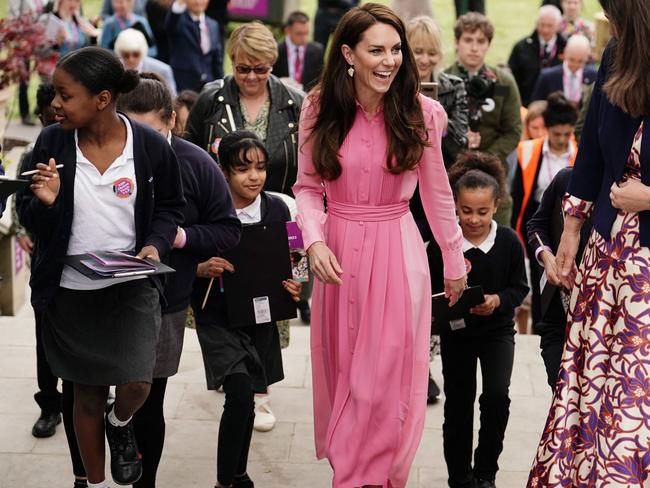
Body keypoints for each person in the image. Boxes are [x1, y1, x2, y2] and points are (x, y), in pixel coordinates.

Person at [293, 4, 467, 486]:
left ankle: (365, 477)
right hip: (338, 255)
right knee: (347, 374)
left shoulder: (423, 112)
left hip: (399, 251)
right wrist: (314, 240)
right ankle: (354, 470)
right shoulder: (318, 106)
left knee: (384, 383)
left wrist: (453, 260)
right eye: (376, 50)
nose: (389, 60)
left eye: (396, 50)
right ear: (348, 54)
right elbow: (307, 187)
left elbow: (437, 194)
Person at [16, 47, 185, 488]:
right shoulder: (52, 142)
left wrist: (155, 245)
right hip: (71, 294)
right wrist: (45, 203)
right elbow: (29, 214)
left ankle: (121, 419)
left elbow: (170, 207)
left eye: (65, 96)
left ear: (102, 98)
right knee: (84, 393)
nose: (55, 104)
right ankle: (92, 482)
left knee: (137, 383)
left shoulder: (148, 146)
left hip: (132, 288)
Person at [528, 1, 650, 484]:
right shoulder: (619, 55)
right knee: (593, 380)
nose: (608, 28)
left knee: (636, 390)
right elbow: (593, 152)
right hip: (607, 255)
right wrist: (572, 231)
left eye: (613, 16)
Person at [117, 73, 241, 488]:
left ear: (172, 120)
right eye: (131, 130)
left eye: (152, 132)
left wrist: (183, 237)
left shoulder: (196, 163)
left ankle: (144, 481)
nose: (142, 143)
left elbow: (227, 230)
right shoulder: (109, 154)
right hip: (108, 295)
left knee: (150, 398)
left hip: (167, 301)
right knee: (99, 393)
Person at [192, 130, 301, 488]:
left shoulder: (278, 207)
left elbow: (297, 255)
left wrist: (297, 283)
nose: (253, 176)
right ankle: (225, 481)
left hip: (262, 314)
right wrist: (201, 267)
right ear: (223, 171)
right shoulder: (208, 208)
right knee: (238, 391)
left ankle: (239, 474)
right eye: (242, 168)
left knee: (249, 397)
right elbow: (183, 252)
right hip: (218, 316)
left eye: (260, 167)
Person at [427, 151, 528, 488]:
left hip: (497, 331)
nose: (473, 219)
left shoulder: (509, 242)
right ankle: (460, 476)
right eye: (466, 211)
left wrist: (498, 300)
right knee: (458, 401)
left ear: (496, 206)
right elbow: (427, 290)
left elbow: (520, 288)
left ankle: (486, 472)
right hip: (457, 334)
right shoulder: (441, 245)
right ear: (454, 206)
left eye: (482, 212)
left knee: (497, 396)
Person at [405, 14, 469, 403]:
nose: (425, 60)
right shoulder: (390, 86)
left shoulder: (452, 87)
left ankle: (424, 363)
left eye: (431, 53)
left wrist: (434, 117)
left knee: (431, 283)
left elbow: (459, 143)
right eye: (417, 52)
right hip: (401, 196)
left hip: (437, 189)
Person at [185, 21, 304, 196]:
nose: (251, 76)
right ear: (232, 62)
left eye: (260, 69)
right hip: (221, 211)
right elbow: (189, 157)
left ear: (271, 64)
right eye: (243, 69)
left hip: (282, 213)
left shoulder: (296, 104)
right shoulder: (211, 100)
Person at [446, 12, 522, 225]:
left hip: (493, 175)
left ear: (488, 44)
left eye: (481, 41)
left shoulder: (504, 82)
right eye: (468, 40)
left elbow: (513, 131)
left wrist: (483, 161)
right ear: (456, 42)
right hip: (452, 173)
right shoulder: (443, 81)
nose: (474, 47)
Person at [511, 92, 578, 332]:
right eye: (556, 133)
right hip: (539, 220)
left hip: (572, 220)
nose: (561, 139)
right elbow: (518, 195)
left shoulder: (580, 152)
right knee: (542, 276)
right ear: (546, 128)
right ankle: (543, 324)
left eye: (566, 134)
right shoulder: (528, 151)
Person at [525, 167, 591, 388]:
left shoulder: (626, 193)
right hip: (558, 315)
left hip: (605, 320)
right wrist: (547, 256)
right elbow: (536, 225)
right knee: (560, 388)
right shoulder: (566, 179)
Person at [508, 5, 566, 107]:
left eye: (550, 26)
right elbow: (511, 79)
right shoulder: (521, 47)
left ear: (558, 25)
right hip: (526, 106)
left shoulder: (567, 47)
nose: (545, 30)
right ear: (536, 24)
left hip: (558, 108)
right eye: (542, 25)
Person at [166, 0, 223, 92]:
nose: (198, 2)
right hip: (183, 83)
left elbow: (217, 59)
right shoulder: (179, 22)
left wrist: (221, 83)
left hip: (208, 84)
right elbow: (171, 22)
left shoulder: (213, 25)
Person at [531, 34, 596, 106]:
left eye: (580, 61)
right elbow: (536, 105)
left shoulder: (593, 76)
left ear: (587, 58)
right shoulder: (547, 76)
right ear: (565, 53)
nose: (575, 65)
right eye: (571, 60)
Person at [114, 28, 177, 96]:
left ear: (142, 52)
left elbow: (172, 98)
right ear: (120, 53)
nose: (131, 59)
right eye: (126, 55)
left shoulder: (162, 70)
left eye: (136, 54)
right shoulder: (114, 70)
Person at [274, 11, 324, 92]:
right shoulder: (277, 51)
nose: (304, 38)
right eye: (299, 34)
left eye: (306, 33)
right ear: (288, 31)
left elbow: (319, 81)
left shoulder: (316, 51)